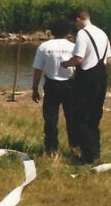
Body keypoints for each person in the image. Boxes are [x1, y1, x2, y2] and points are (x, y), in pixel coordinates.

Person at [61, 9, 111, 164]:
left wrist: (65, 64)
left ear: (79, 20)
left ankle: (87, 156)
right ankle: (96, 152)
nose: (75, 28)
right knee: (95, 116)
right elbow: (109, 60)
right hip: (102, 76)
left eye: (74, 24)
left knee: (80, 116)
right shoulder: (102, 33)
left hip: (87, 78)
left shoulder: (83, 34)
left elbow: (78, 59)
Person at [31, 18, 77, 154]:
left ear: (51, 32)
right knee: (72, 118)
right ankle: (74, 146)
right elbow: (79, 67)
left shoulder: (44, 47)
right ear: (68, 32)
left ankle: (51, 148)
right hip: (70, 84)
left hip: (52, 85)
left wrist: (35, 88)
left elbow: (37, 69)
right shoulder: (73, 47)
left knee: (51, 119)